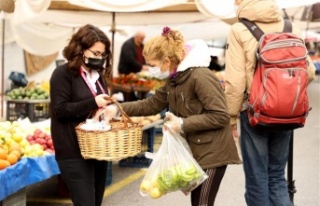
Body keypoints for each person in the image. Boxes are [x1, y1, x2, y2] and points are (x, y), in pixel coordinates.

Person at [106, 27, 242, 206]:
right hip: (196, 149)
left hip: (213, 151)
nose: (151, 70)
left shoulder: (200, 76)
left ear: (167, 60)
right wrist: (117, 109)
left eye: (153, 65)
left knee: (202, 203)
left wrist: (183, 123)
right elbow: (151, 104)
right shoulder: (174, 79)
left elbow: (220, 115)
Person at [224, 0, 316, 206]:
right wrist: (286, 94)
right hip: (288, 113)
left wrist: (230, 116)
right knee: (276, 177)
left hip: (254, 113)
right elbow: (309, 72)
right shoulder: (291, 27)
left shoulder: (239, 29)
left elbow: (235, 81)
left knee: (257, 179)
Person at [50, 24, 113, 206]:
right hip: (73, 152)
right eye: (95, 53)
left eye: (102, 55)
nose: (98, 58)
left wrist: (106, 112)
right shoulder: (63, 74)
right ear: (80, 49)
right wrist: (93, 103)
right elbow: (60, 110)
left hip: (97, 150)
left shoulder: (98, 77)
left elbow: (97, 110)